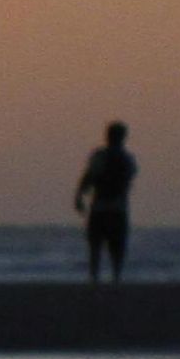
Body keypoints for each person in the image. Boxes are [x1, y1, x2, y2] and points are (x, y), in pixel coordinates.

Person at [73, 120, 137, 284]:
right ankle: (116, 277)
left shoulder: (100, 156)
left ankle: (95, 278)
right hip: (118, 208)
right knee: (117, 245)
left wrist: (79, 196)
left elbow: (89, 177)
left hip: (100, 207)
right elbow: (129, 180)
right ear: (123, 137)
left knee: (96, 245)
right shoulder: (127, 159)